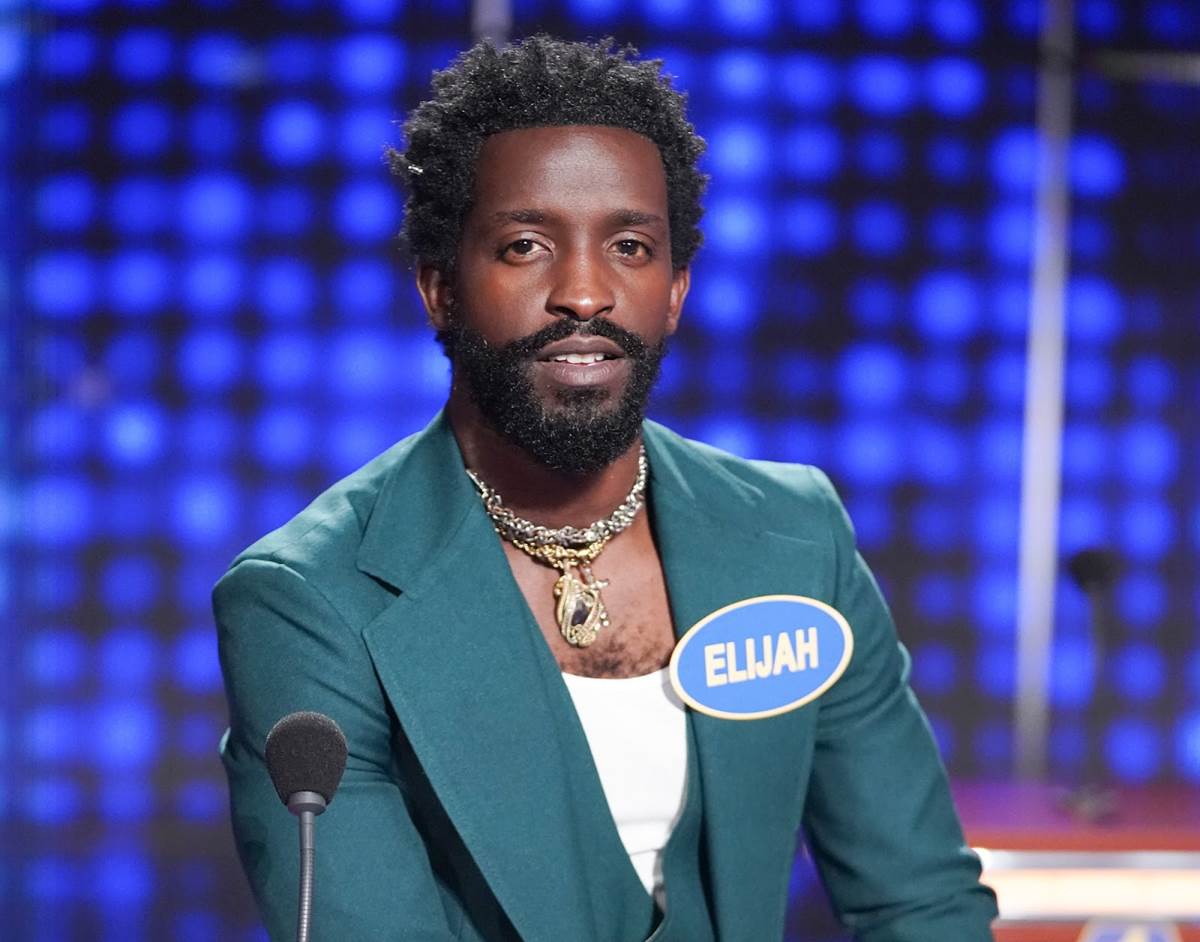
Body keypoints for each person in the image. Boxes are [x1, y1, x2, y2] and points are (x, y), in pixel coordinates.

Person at [214, 35, 998, 941]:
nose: (585, 293)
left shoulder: (795, 539)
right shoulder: (310, 600)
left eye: (630, 246)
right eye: (525, 245)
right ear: (439, 289)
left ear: (676, 290)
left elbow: (919, 904)